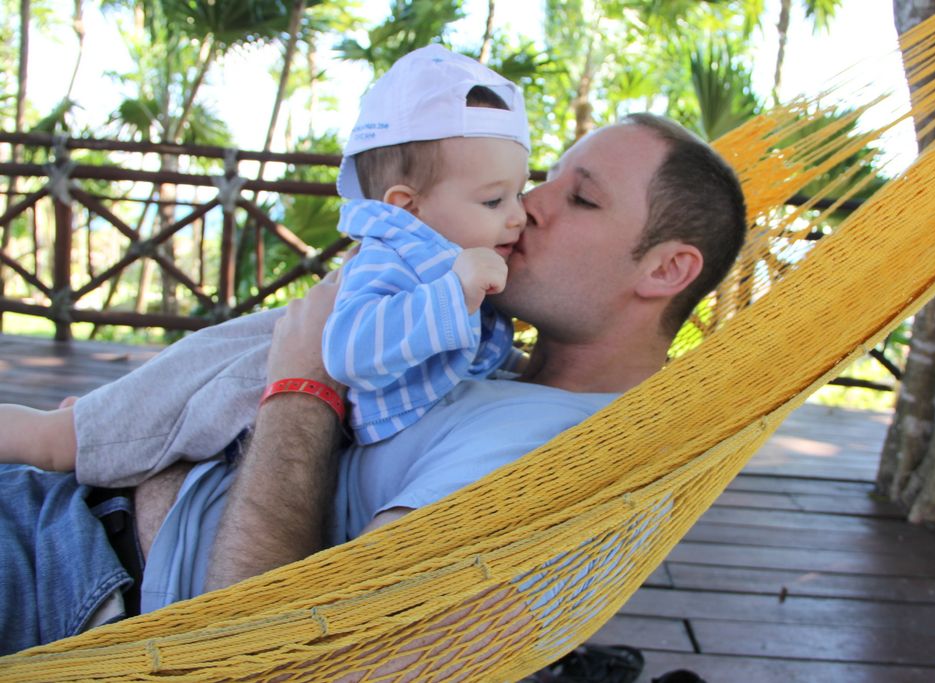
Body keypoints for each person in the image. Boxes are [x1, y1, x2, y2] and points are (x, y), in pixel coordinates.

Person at [0, 111, 747, 656]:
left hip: (74, 583)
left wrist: (302, 385)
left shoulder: (556, 458)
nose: (529, 206)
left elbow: (283, 653)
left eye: (580, 199)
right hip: (75, 503)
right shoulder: (488, 349)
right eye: (545, 180)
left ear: (666, 269)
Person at [0, 45, 531, 483]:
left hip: (261, 392)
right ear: (406, 208)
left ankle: (103, 413)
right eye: (494, 201)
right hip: (244, 382)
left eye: (519, 193)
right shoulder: (392, 263)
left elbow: (458, 353)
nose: (518, 216)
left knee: (132, 416)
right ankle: (53, 427)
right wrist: (453, 293)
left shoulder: (442, 264)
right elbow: (348, 352)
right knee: (67, 442)